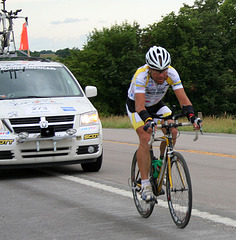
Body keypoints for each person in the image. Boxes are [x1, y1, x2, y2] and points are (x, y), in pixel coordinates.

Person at [126, 46, 201, 202]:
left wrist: (193, 117)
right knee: (146, 138)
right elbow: (140, 107)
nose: (162, 75)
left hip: (156, 104)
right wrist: (148, 121)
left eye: (164, 71)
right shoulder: (141, 76)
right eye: (157, 72)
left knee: (172, 130)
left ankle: (161, 163)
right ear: (150, 69)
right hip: (136, 107)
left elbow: (184, 101)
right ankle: (145, 184)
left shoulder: (172, 74)